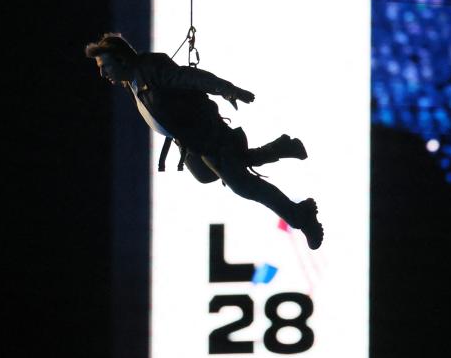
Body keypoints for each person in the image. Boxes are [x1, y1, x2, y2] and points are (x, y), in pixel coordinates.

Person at [85, 33, 323, 249]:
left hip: (209, 136)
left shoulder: (151, 70)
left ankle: (301, 217)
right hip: (191, 143)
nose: (103, 73)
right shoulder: (131, 82)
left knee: (244, 186)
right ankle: (282, 147)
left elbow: (190, 77)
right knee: (208, 174)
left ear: (122, 60)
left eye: (105, 66)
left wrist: (225, 88)